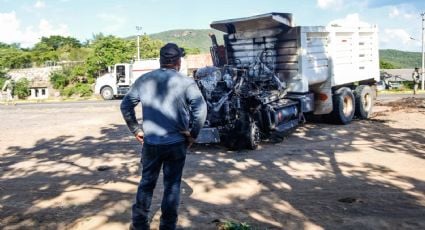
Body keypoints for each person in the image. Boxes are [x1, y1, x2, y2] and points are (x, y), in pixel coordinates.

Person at [120, 43, 207, 230]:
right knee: (172, 186)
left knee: (146, 183)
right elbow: (200, 110)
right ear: (178, 61)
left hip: (151, 143)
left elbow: (125, 106)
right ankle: (167, 226)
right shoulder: (186, 82)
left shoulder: (144, 80)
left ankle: (139, 224)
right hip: (176, 144)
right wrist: (193, 134)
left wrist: (136, 130)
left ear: (161, 60)